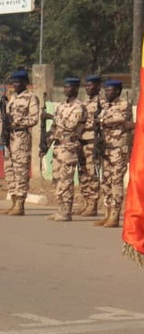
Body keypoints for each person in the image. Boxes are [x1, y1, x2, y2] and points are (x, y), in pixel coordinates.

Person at [45, 77, 86, 222]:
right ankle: (60, 208)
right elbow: (54, 127)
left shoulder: (79, 107)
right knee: (57, 179)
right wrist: (46, 143)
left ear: (75, 89)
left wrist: (53, 118)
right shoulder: (61, 106)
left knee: (66, 180)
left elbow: (70, 125)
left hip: (69, 146)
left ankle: (66, 211)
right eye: (65, 87)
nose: (66, 89)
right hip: (58, 146)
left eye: (69, 87)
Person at [94, 79, 134, 228]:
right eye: (106, 90)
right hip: (106, 148)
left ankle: (115, 215)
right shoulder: (105, 105)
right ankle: (107, 213)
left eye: (110, 90)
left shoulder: (124, 104)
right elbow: (97, 120)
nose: (107, 93)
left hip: (118, 149)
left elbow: (119, 119)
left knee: (116, 181)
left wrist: (102, 120)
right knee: (106, 181)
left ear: (117, 91)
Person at [4, 70, 40, 216]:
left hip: (21, 136)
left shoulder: (31, 98)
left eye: (18, 82)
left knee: (21, 171)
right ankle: (13, 201)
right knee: (9, 170)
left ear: (25, 83)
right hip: (9, 136)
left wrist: (15, 121)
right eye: (13, 82)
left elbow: (33, 119)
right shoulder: (12, 98)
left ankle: (20, 203)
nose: (15, 84)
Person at [77, 74, 103, 217]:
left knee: (92, 173)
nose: (87, 87)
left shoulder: (103, 103)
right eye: (86, 85)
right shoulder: (84, 103)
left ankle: (93, 204)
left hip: (92, 141)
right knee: (82, 173)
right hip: (82, 141)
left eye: (90, 85)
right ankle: (86, 201)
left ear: (98, 86)